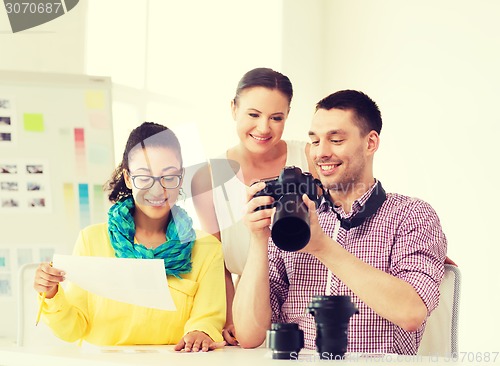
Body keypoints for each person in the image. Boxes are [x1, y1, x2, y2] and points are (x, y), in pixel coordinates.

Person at [233, 90, 447, 355]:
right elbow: (248, 335)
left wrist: (322, 246)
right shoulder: (294, 216)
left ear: (370, 143)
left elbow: (411, 312)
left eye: (335, 140)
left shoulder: (411, 215)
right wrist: (258, 239)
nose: (320, 153)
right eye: (314, 141)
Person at [34, 122, 226, 352]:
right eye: (144, 177)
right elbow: (73, 329)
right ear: (127, 177)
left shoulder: (206, 249)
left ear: (181, 177)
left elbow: (207, 319)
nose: (157, 190)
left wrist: (200, 332)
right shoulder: (91, 240)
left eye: (169, 177)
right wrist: (52, 294)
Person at [191, 67, 316, 345]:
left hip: (306, 305)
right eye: (253, 114)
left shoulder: (309, 157)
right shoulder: (207, 178)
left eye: (276, 118)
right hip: (247, 313)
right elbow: (217, 264)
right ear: (233, 109)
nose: (263, 128)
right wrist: (231, 319)